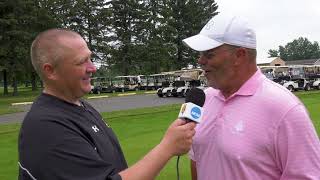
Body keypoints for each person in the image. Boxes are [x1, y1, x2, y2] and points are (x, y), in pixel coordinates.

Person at [18, 29, 196, 180]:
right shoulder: (46, 128)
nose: (93, 68)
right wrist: (167, 147)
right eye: (81, 61)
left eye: (90, 58)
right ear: (50, 71)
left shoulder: (81, 106)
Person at [182, 14, 320, 180]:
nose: (201, 61)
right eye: (201, 54)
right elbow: (197, 159)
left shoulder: (285, 109)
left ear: (240, 55)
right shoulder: (204, 99)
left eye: (209, 54)